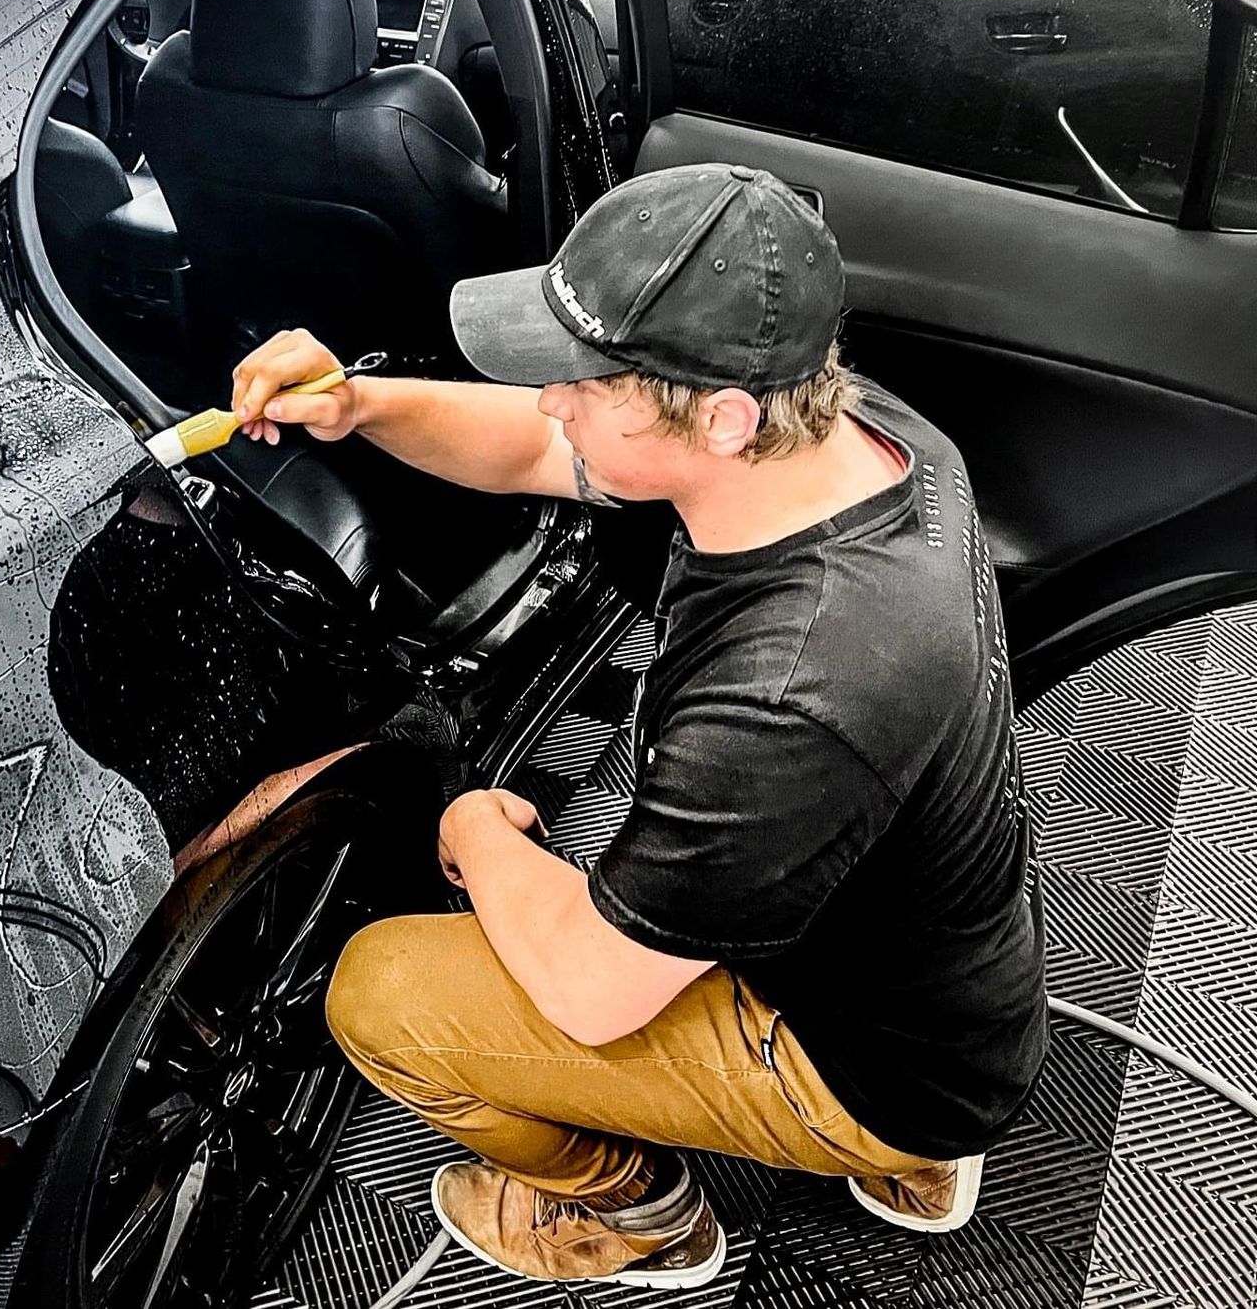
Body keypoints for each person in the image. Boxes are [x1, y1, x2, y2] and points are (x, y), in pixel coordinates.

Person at [226, 163, 1049, 1288]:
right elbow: (532, 443)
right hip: (947, 972)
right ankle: (915, 1155)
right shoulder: (858, 435)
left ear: (719, 417)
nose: (553, 399)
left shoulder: (793, 693)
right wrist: (359, 404)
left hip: (874, 1063)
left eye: (583, 382)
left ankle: (639, 1215)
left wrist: (475, 832)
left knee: (379, 993)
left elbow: (586, 985)